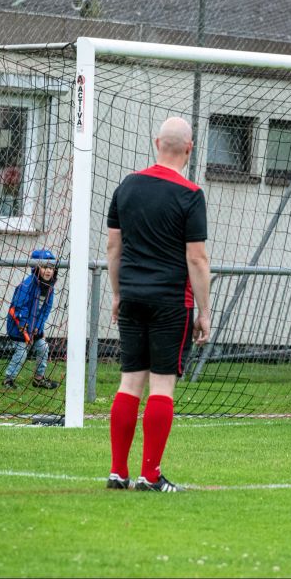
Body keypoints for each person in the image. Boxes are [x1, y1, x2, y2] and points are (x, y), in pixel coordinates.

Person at [105, 117, 211, 493]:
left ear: (156, 143)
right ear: (190, 148)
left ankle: (118, 472)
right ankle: (149, 475)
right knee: (162, 387)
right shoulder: (190, 193)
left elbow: (113, 248)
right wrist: (204, 312)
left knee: (130, 382)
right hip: (170, 300)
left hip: (132, 295)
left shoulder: (127, 186)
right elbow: (196, 259)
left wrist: (118, 294)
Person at [3, 249, 59, 390]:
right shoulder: (27, 285)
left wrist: (37, 328)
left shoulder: (50, 288)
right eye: (45, 267)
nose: (48, 271)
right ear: (36, 268)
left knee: (43, 348)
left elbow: (45, 311)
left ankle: (38, 379)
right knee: (22, 352)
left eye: (51, 267)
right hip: (19, 327)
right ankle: (8, 379)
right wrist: (25, 327)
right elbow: (20, 307)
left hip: (34, 328)